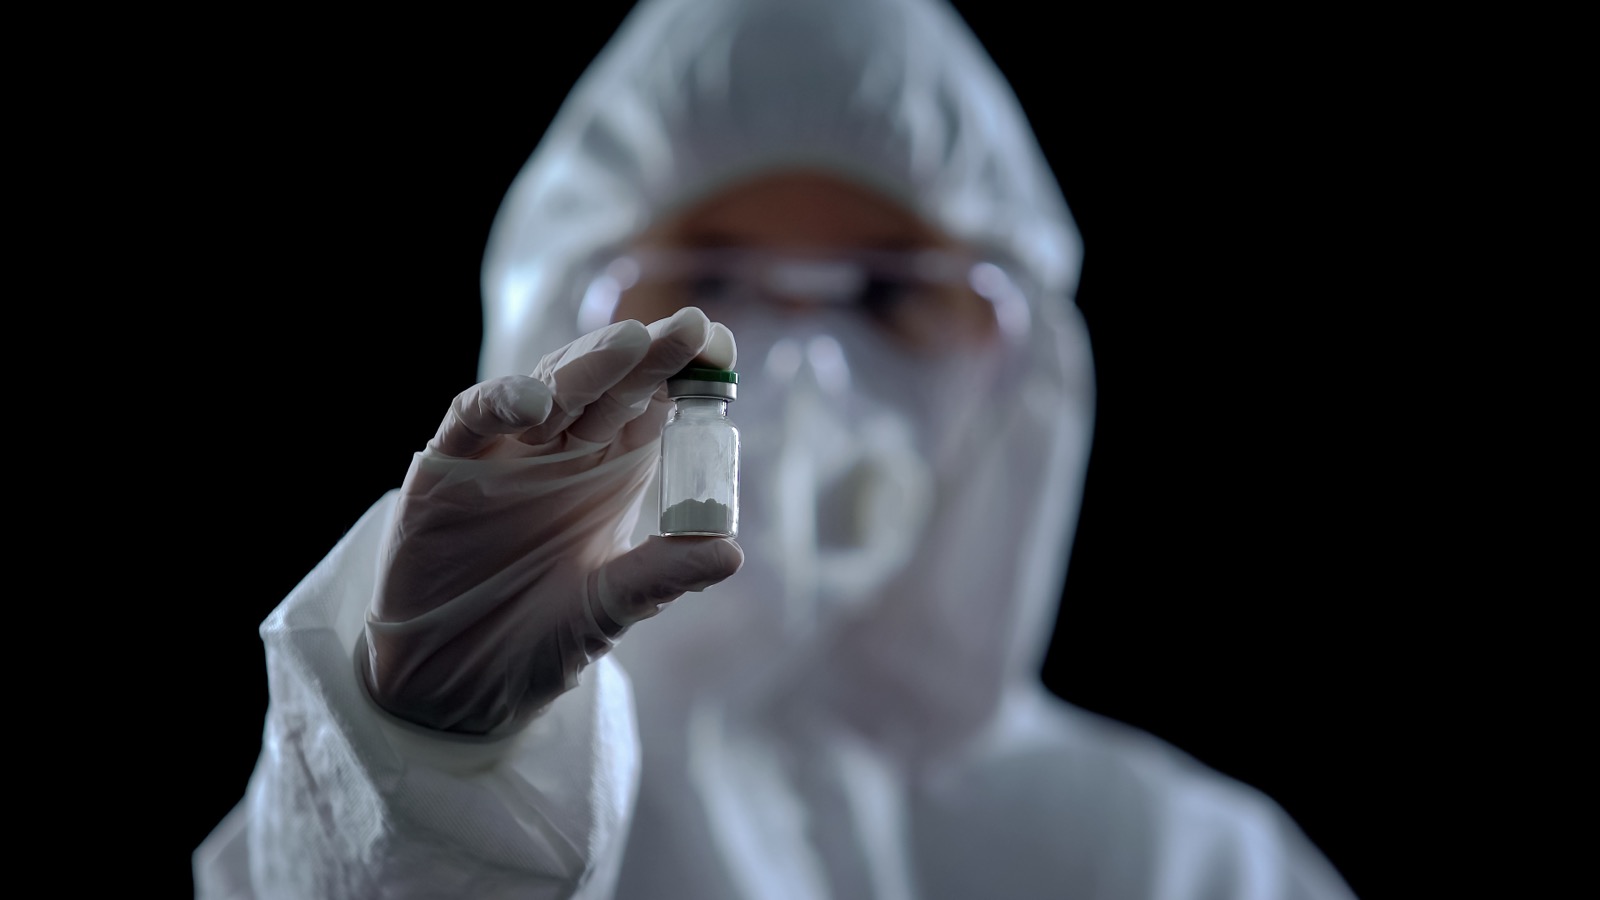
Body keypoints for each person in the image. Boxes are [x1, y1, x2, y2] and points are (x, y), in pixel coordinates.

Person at [194, 0, 1357, 897]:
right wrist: (419, 775)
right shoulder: (490, 817)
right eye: (707, 279)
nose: (799, 363)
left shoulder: (1178, 864)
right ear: (556, 315)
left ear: (1022, 370)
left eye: (888, 294)